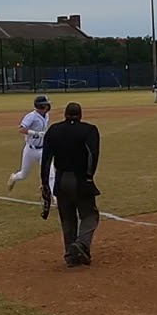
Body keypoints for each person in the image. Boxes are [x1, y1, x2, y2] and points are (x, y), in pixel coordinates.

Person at [40, 102, 102, 267]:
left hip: (60, 180)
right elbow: (92, 155)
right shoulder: (89, 130)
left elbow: (46, 160)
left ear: (65, 114)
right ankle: (81, 244)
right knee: (90, 215)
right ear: (80, 115)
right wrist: (89, 176)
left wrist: (45, 183)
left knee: (67, 218)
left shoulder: (53, 130)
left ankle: (70, 256)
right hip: (80, 179)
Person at [7, 94, 55, 193]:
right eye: (46, 104)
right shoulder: (31, 116)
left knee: (51, 174)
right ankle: (14, 177)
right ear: (41, 106)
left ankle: (55, 198)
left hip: (43, 150)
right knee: (23, 175)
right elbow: (21, 129)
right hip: (30, 150)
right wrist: (35, 133)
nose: (48, 106)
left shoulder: (46, 116)